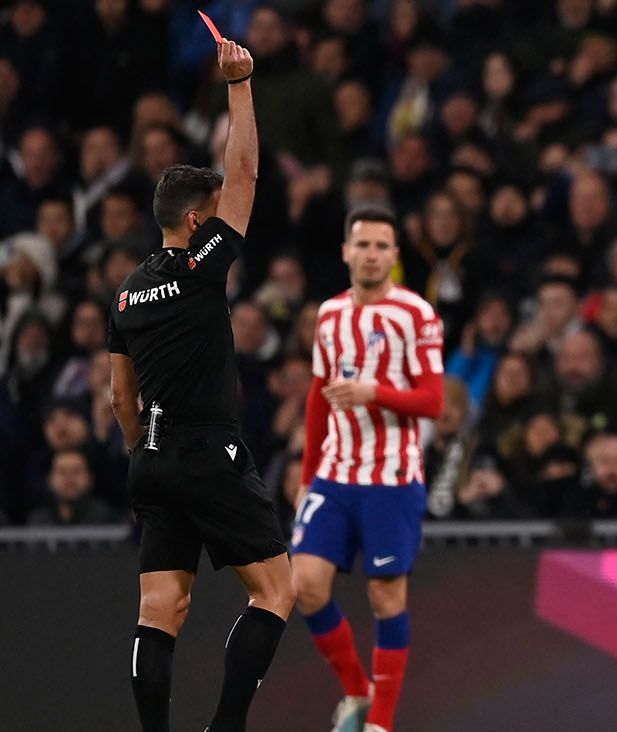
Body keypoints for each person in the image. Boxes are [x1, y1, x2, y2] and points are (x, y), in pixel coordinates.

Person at [107, 40, 296, 732]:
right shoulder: (197, 270)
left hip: (152, 461)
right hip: (207, 452)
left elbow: (118, 397)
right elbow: (243, 174)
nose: (222, 218)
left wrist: (143, 447)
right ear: (195, 222)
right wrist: (240, 87)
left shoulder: (126, 294)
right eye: (212, 213)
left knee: (160, 612)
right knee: (278, 591)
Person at [292, 206, 445, 732]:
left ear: (395, 257)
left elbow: (432, 402)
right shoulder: (330, 314)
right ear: (346, 252)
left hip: (392, 478)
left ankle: (380, 723)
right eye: (363, 245)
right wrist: (307, 473)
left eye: (382, 246)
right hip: (336, 473)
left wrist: (372, 393)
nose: (372, 255)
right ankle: (358, 691)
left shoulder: (416, 316)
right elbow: (317, 395)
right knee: (305, 584)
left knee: (385, 596)